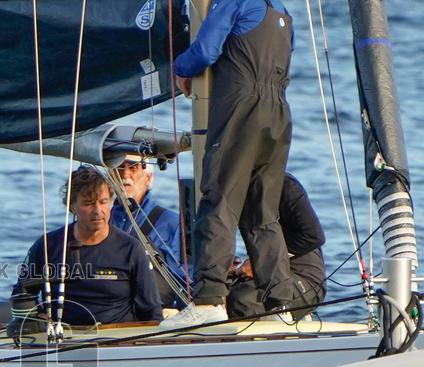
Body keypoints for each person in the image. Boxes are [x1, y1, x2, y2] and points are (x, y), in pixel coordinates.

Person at [162, 0, 296, 329]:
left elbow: (206, 51)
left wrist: (178, 67)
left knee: (219, 200)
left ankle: (208, 301)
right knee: (262, 214)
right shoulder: (282, 12)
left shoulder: (235, 1)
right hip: (278, 113)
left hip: (242, 108)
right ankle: (280, 306)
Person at [15, 166, 162, 325]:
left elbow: (151, 312)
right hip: (62, 337)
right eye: (88, 203)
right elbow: (21, 294)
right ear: (72, 206)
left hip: (117, 339)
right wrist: (36, 319)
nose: (98, 210)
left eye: (103, 202)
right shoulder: (48, 246)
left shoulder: (131, 249)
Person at [227, 172, 326, 318]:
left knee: (241, 300)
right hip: (265, 273)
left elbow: (313, 236)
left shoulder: (286, 186)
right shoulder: (232, 188)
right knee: (217, 294)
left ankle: (272, 332)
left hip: (304, 278)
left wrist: (263, 262)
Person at [110, 157, 189, 307]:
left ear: (148, 178)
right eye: (119, 167)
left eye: (133, 167)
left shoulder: (173, 224)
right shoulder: (100, 222)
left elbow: (186, 281)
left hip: (155, 316)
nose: (125, 174)